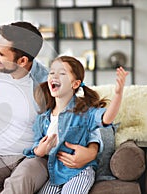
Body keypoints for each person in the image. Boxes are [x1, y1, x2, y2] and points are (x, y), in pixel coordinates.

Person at [0, 21, 102, 194]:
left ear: (23, 60)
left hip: (34, 158)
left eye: (1, 53)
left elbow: (83, 113)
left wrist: (92, 151)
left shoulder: (49, 81)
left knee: (21, 179)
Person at [28, 56, 128, 194]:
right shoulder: (43, 118)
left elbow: (106, 118)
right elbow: (35, 146)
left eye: (62, 73)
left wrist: (118, 94)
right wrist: (40, 150)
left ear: (75, 84)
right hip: (54, 173)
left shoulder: (84, 112)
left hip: (80, 171)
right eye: (52, 72)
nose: (54, 76)